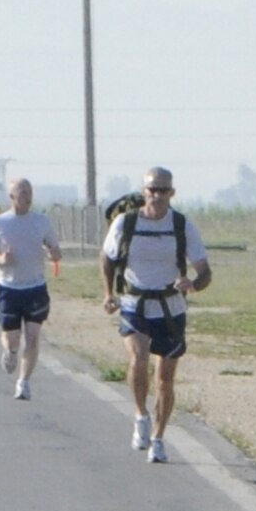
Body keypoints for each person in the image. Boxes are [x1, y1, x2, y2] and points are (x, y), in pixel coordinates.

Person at [99, 168, 212, 464]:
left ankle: (159, 438)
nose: (157, 195)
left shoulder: (181, 225)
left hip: (170, 308)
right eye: (152, 189)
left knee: (165, 379)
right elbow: (107, 258)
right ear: (143, 191)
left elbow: (204, 271)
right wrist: (109, 294)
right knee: (138, 358)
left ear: (172, 193)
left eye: (163, 190)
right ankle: (140, 416)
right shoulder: (126, 222)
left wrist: (193, 283)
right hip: (135, 303)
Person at [0, 178, 62, 399]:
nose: (27, 196)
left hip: (35, 286)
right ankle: (10, 351)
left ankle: (23, 382)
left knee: (33, 336)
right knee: (12, 337)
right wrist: (0, 258)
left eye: (29, 192)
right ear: (12, 197)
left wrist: (54, 254)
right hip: (9, 288)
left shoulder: (41, 221)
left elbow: (55, 248)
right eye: (22, 192)